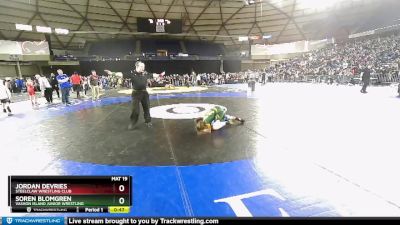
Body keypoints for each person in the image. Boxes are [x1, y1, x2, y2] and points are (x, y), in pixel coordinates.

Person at [128, 61, 152, 130]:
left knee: (147, 108)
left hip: (144, 93)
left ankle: (148, 121)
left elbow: (152, 75)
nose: (143, 68)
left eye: (144, 67)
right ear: (137, 66)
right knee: (135, 110)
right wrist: (113, 73)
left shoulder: (145, 73)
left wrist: (160, 75)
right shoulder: (132, 73)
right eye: (142, 67)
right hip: (136, 94)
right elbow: (121, 74)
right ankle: (133, 123)